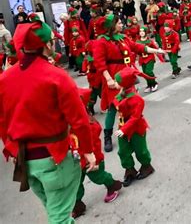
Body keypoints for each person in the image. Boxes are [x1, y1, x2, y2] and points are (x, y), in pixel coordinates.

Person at [0, 19, 96, 223]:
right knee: (59, 217)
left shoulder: (5, 78)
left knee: (56, 212)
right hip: (54, 158)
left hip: (25, 160)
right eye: (52, 40)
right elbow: (79, 120)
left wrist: (11, 149)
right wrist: (88, 151)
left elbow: (2, 121)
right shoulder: (56, 76)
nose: (55, 43)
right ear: (46, 45)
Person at [93, 14, 164, 152]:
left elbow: (138, 47)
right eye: (119, 23)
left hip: (126, 75)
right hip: (114, 76)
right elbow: (99, 63)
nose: (121, 24)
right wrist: (109, 79)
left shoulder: (123, 38)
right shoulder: (101, 41)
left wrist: (157, 50)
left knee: (131, 103)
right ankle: (107, 136)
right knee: (113, 107)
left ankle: (130, 130)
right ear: (111, 26)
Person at [71, 89, 122, 219]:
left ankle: (112, 185)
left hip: (92, 159)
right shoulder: (69, 123)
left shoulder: (89, 123)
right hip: (77, 160)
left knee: (98, 177)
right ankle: (77, 204)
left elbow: (91, 143)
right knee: (76, 183)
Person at [113, 67, 155, 187]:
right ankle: (129, 170)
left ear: (123, 84)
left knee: (140, 150)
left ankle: (147, 166)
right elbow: (116, 102)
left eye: (117, 81)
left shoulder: (137, 99)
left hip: (136, 128)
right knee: (123, 151)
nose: (114, 83)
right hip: (122, 126)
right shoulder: (121, 94)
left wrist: (123, 129)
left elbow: (135, 118)